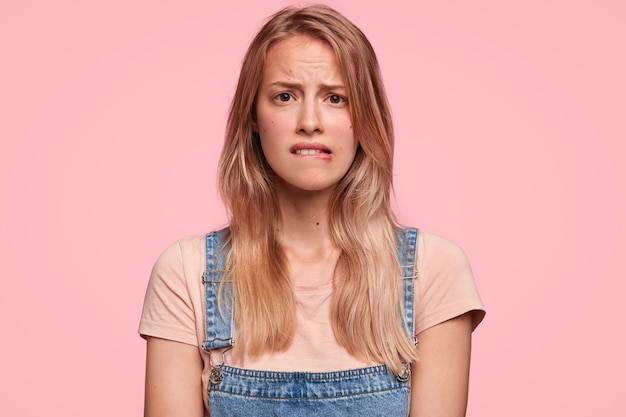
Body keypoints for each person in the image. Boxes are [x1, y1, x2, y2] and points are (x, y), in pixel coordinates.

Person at [139, 5, 485, 416]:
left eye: (336, 98)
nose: (309, 121)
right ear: (253, 116)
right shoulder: (187, 272)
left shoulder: (432, 270)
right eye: (285, 96)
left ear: (366, 118)